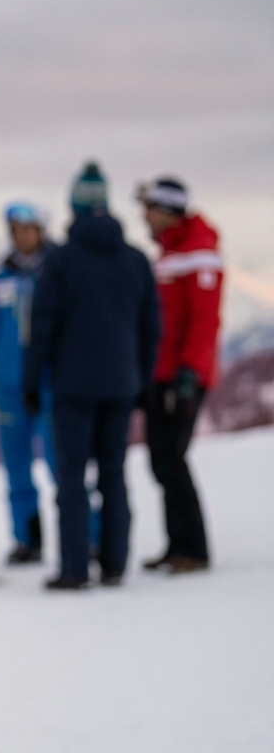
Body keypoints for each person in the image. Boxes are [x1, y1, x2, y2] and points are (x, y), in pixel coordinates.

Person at [24, 161, 160, 590]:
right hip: (121, 383)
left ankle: (74, 567)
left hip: (74, 386)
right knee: (113, 474)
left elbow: (42, 325)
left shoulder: (61, 261)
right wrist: (142, 380)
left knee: (71, 476)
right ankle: (116, 562)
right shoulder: (135, 260)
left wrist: (32, 380)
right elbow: (151, 327)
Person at [137, 176, 222, 574]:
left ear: (166, 211)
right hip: (160, 375)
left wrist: (189, 373)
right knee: (160, 460)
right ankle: (177, 544)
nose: (144, 217)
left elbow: (204, 321)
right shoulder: (167, 256)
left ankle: (194, 549)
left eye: (150, 209)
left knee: (172, 458)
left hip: (182, 376)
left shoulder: (198, 254)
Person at [0, 201, 57, 564]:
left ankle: (88, 535)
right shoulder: (1, 278)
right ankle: (28, 539)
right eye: (16, 230)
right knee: (17, 470)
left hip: (51, 386)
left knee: (61, 466)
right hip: (9, 388)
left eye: (28, 229)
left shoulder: (57, 272)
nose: (22, 236)